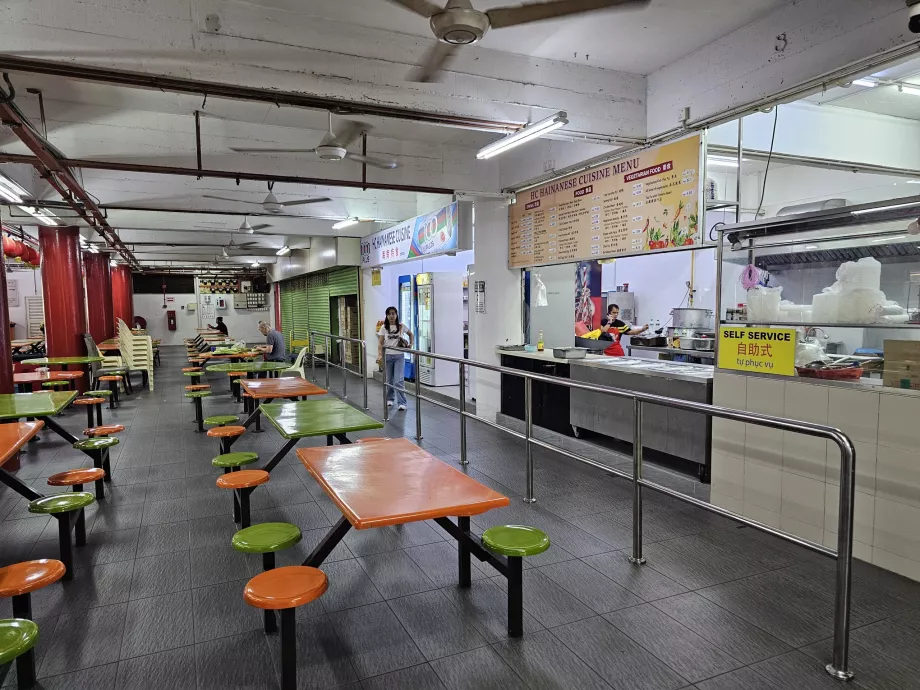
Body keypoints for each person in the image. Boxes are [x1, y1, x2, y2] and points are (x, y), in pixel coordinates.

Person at [377, 306, 413, 411]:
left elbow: (411, 334)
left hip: (399, 356)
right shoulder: (384, 327)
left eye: (393, 313)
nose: (391, 316)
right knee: (389, 380)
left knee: (399, 380)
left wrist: (411, 343)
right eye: (389, 314)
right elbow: (380, 342)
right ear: (387, 316)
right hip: (388, 355)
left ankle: (402, 402)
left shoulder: (401, 326)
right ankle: (390, 398)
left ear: (396, 314)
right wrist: (379, 354)